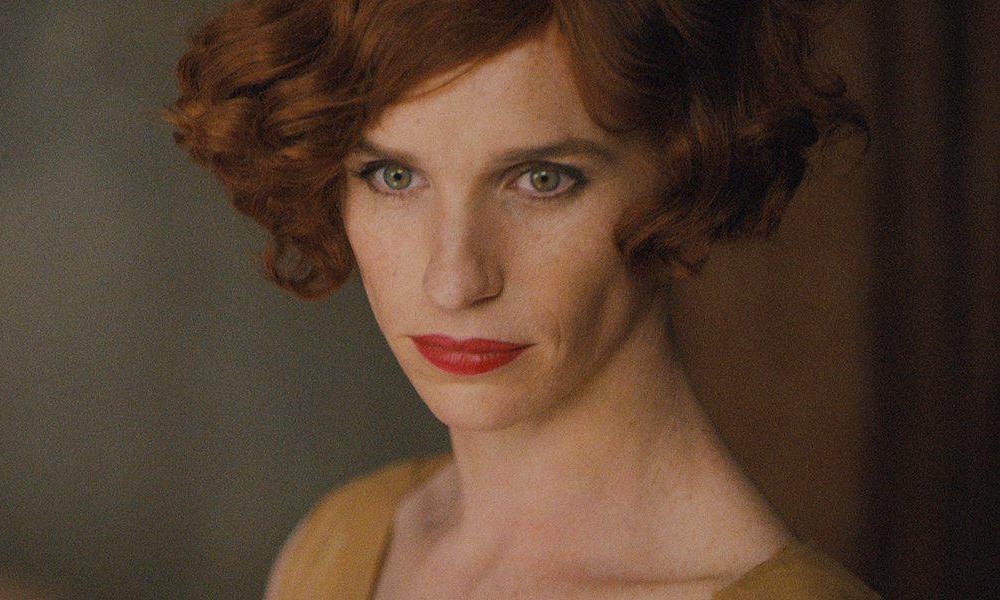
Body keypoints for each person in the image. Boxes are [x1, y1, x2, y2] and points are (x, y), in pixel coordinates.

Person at [168, 0, 877, 598]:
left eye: (541, 180)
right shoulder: (341, 541)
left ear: (687, 173)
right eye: (393, 177)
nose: (454, 282)